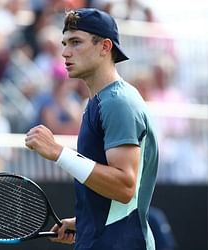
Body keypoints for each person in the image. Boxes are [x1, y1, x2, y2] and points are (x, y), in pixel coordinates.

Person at [25, 8, 158, 250]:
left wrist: (58, 152)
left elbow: (124, 186)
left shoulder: (118, 102)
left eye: (76, 42)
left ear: (105, 47)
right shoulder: (99, 101)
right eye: (64, 43)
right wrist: (83, 222)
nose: (65, 52)